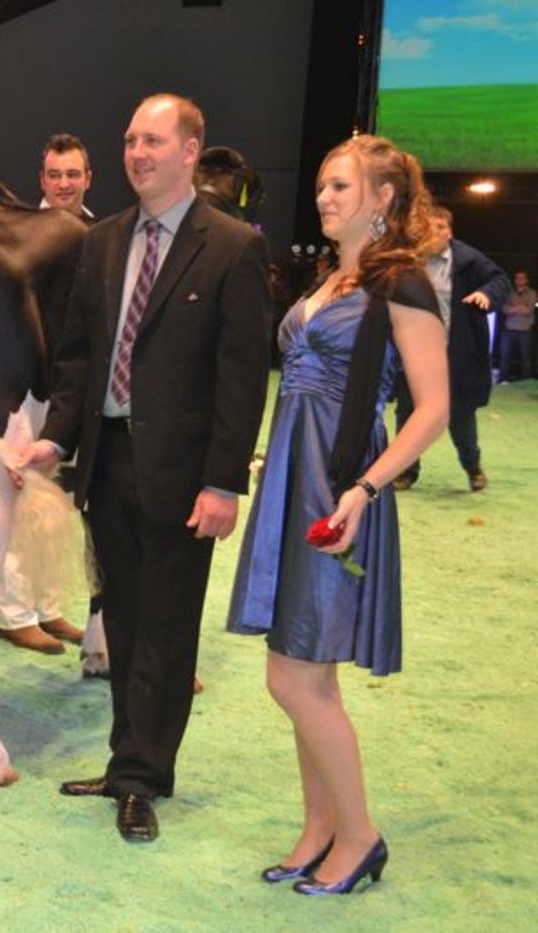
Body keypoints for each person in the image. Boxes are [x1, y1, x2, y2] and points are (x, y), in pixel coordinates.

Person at [20, 93, 273, 842]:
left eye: (154, 140)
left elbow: (241, 375)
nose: (138, 152)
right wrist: (57, 439)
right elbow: (78, 358)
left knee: (166, 629)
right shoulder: (101, 243)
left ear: (191, 150)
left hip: (185, 475)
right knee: (122, 624)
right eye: (131, 139)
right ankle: (125, 756)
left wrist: (225, 480)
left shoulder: (231, 246)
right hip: (107, 461)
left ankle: (143, 777)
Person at [227, 134, 450, 895]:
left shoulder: (403, 284)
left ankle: (359, 834)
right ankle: (320, 826)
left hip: (338, 487)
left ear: (383, 198)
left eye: (341, 186)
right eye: (321, 185)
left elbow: (433, 410)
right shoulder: (332, 277)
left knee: (296, 678)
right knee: (300, 667)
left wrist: (363, 490)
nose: (323, 197)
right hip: (296, 477)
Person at [0, 133, 95, 654]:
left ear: (87, 178)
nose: (63, 184)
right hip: (22, 386)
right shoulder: (17, 236)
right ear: (41, 179)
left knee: (57, 500)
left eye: (72, 175)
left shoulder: (99, 236)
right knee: (18, 495)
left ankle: (48, 607)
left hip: (71, 389)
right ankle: (12, 612)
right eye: (54, 175)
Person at [393, 206, 508, 492]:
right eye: (430, 227)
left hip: (457, 353)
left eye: (442, 227)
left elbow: (500, 281)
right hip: (416, 352)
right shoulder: (410, 261)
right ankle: (405, 472)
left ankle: (473, 468)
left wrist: (485, 294)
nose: (436, 232)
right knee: (408, 412)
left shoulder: (468, 260)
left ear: (450, 231)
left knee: (460, 415)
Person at [499, 270, 534, 382]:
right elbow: (504, 309)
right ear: (514, 280)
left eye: (522, 278)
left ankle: (524, 382)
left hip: (525, 331)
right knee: (505, 358)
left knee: (525, 358)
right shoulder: (509, 293)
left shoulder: (532, 293)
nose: (519, 279)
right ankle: (503, 380)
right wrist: (519, 308)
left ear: (526, 280)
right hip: (509, 330)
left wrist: (513, 308)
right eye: (517, 277)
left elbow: (528, 310)